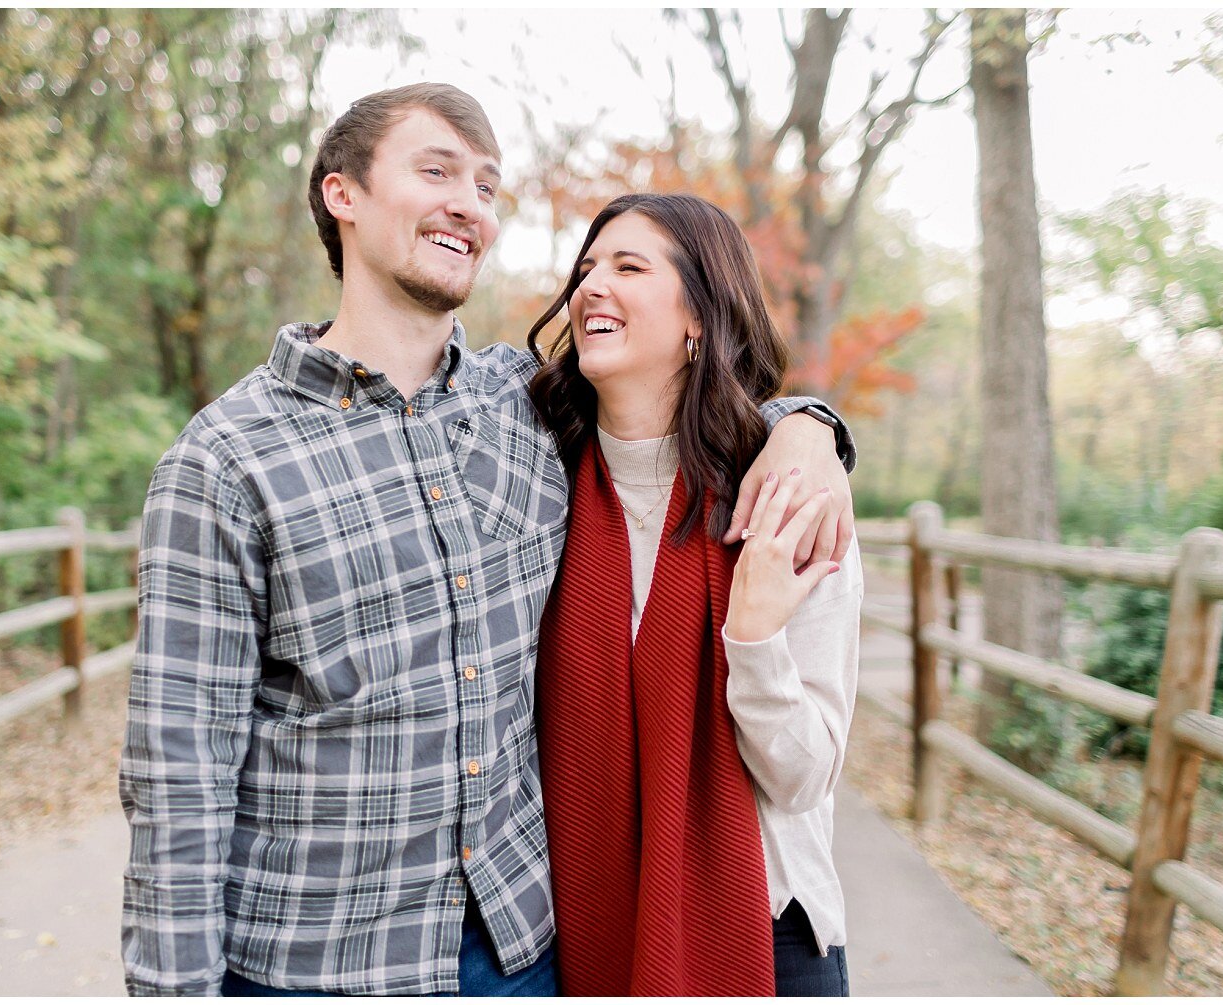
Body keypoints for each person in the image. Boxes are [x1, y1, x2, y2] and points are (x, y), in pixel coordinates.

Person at [119, 84, 857, 997]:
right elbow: (177, 783)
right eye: (436, 171)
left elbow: (685, 419)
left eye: (487, 185)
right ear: (340, 194)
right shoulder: (226, 462)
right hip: (320, 964)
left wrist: (806, 427)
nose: (470, 202)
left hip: (525, 950)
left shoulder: (518, 412)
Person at [531, 193, 862, 996]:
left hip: (765, 926)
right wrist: (812, 418)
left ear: (699, 320)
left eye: (629, 266)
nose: (590, 287)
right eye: (586, 268)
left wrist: (751, 641)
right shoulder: (533, 485)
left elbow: (803, 775)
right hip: (584, 923)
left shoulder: (783, 499)